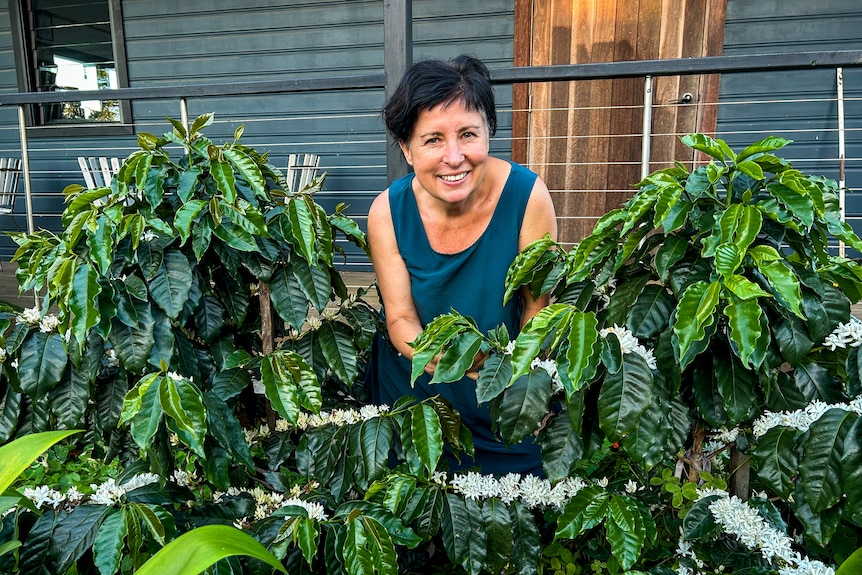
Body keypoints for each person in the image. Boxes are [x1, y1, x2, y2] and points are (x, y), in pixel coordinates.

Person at [366, 55, 557, 475]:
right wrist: (461, 361)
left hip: (500, 388)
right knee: (414, 512)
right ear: (406, 148)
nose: (454, 157)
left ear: (488, 131)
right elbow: (399, 318)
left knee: (515, 511)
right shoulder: (387, 213)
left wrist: (514, 382)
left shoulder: (528, 198)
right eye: (433, 139)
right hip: (416, 389)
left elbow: (537, 308)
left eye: (468, 134)